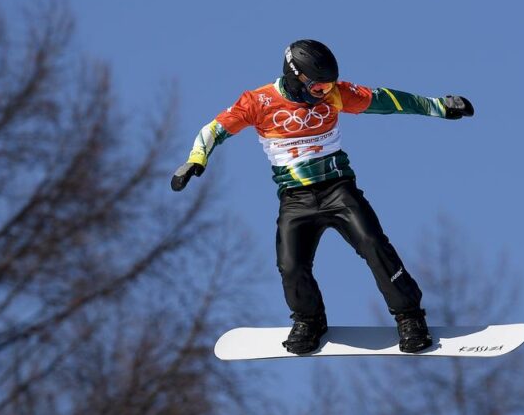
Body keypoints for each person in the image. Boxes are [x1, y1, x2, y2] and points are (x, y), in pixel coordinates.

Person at [172, 39, 474, 354]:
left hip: (338, 190)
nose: (324, 93)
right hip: (295, 200)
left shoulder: (335, 95)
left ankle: (410, 317)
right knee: (290, 265)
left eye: (328, 87)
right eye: (317, 88)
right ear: (295, 76)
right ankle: (309, 321)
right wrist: (196, 159)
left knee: (373, 245)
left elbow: (389, 100)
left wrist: (438, 106)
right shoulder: (257, 102)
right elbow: (214, 129)